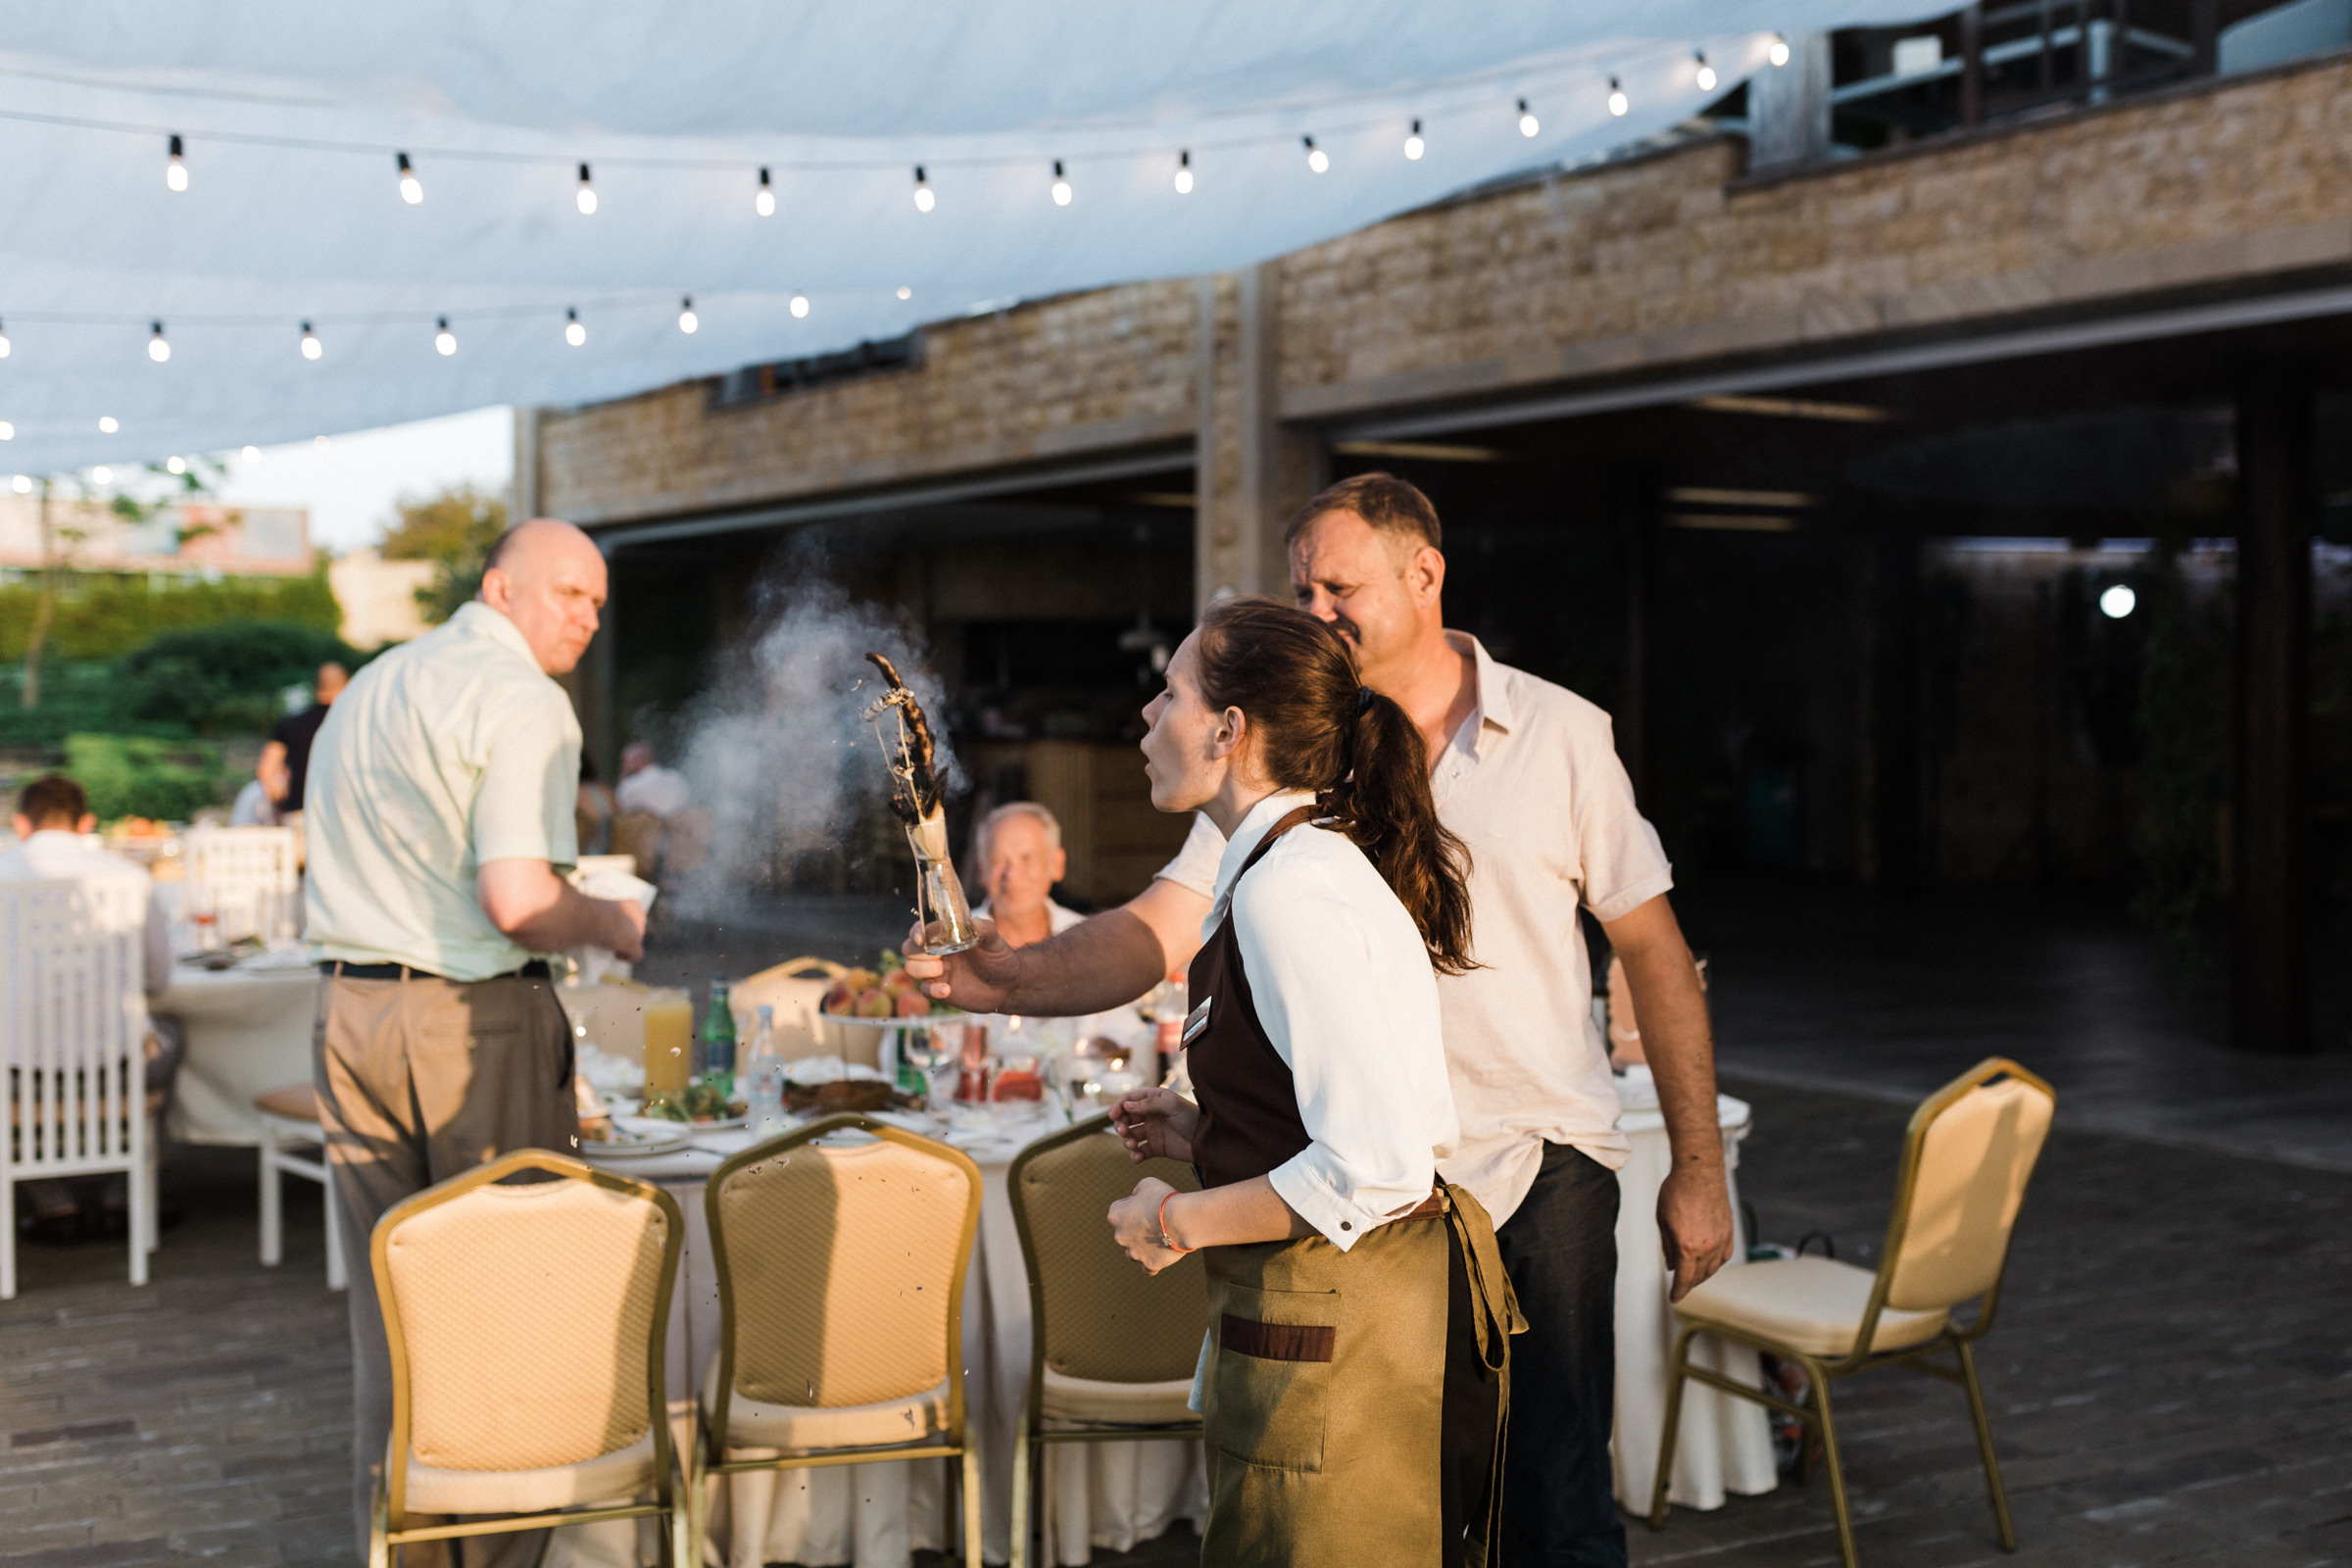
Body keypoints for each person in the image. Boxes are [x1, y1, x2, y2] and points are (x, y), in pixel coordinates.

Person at [910, 473, 1735, 1566]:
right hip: (1380, 1205)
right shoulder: (1293, 774)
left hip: (1528, 1165)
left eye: (1337, 587)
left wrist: (1697, 1167)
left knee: (1553, 1492)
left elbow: (1655, 956)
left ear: (1424, 574)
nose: (1316, 610)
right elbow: (1158, 928)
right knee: (1414, 1504)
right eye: (1303, 591)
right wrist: (1009, 980)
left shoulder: (1555, 737)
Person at [1103, 597, 1513, 1566]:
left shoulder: (1289, 888)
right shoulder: (1289, 867)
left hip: (1351, 1335)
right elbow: (1335, 1121)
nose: (1149, 716)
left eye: (1170, 694)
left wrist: (1175, 1221)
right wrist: (1208, 1132)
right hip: (1325, 1322)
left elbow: (1376, 1165)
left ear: (1229, 730)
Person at [303, 516, 646, 1568]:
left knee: (392, 1310)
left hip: (349, 1015)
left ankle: (400, 1549)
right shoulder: (525, 699)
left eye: (597, 603)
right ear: (500, 589)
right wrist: (612, 920)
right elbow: (519, 902)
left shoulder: (373, 684)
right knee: (509, 1305)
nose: (587, 620)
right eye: (567, 594)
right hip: (472, 1023)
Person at [2, 774, 183, 1239]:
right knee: (173, 1036)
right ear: (87, 824)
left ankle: (52, 1201)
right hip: (116, 1069)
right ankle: (126, 1195)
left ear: (21, 823)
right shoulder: (129, 877)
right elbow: (158, 980)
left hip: (17, 1075)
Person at [263, 661, 348, 829]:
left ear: (316, 686)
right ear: (346, 684)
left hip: (299, 812)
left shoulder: (290, 723)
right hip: (344, 812)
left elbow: (266, 770)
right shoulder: (353, 723)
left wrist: (279, 804)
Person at [613, 739, 690, 818]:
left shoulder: (630, 785)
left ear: (637, 761)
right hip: (678, 823)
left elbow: (619, 807)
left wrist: (624, 775)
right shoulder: (675, 777)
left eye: (625, 761)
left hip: (647, 825)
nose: (623, 765)